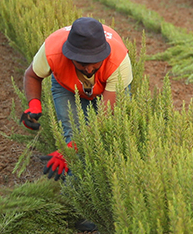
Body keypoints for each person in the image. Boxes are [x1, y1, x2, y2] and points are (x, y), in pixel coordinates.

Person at [19, 16, 132, 179]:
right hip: (68, 87)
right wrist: (34, 105)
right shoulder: (53, 50)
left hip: (109, 88)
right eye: (82, 63)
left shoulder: (118, 61)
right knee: (72, 133)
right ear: (69, 55)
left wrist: (70, 149)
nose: (88, 69)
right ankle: (74, 186)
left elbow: (104, 119)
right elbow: (32, 76)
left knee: (110, 135)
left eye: (94, 62)